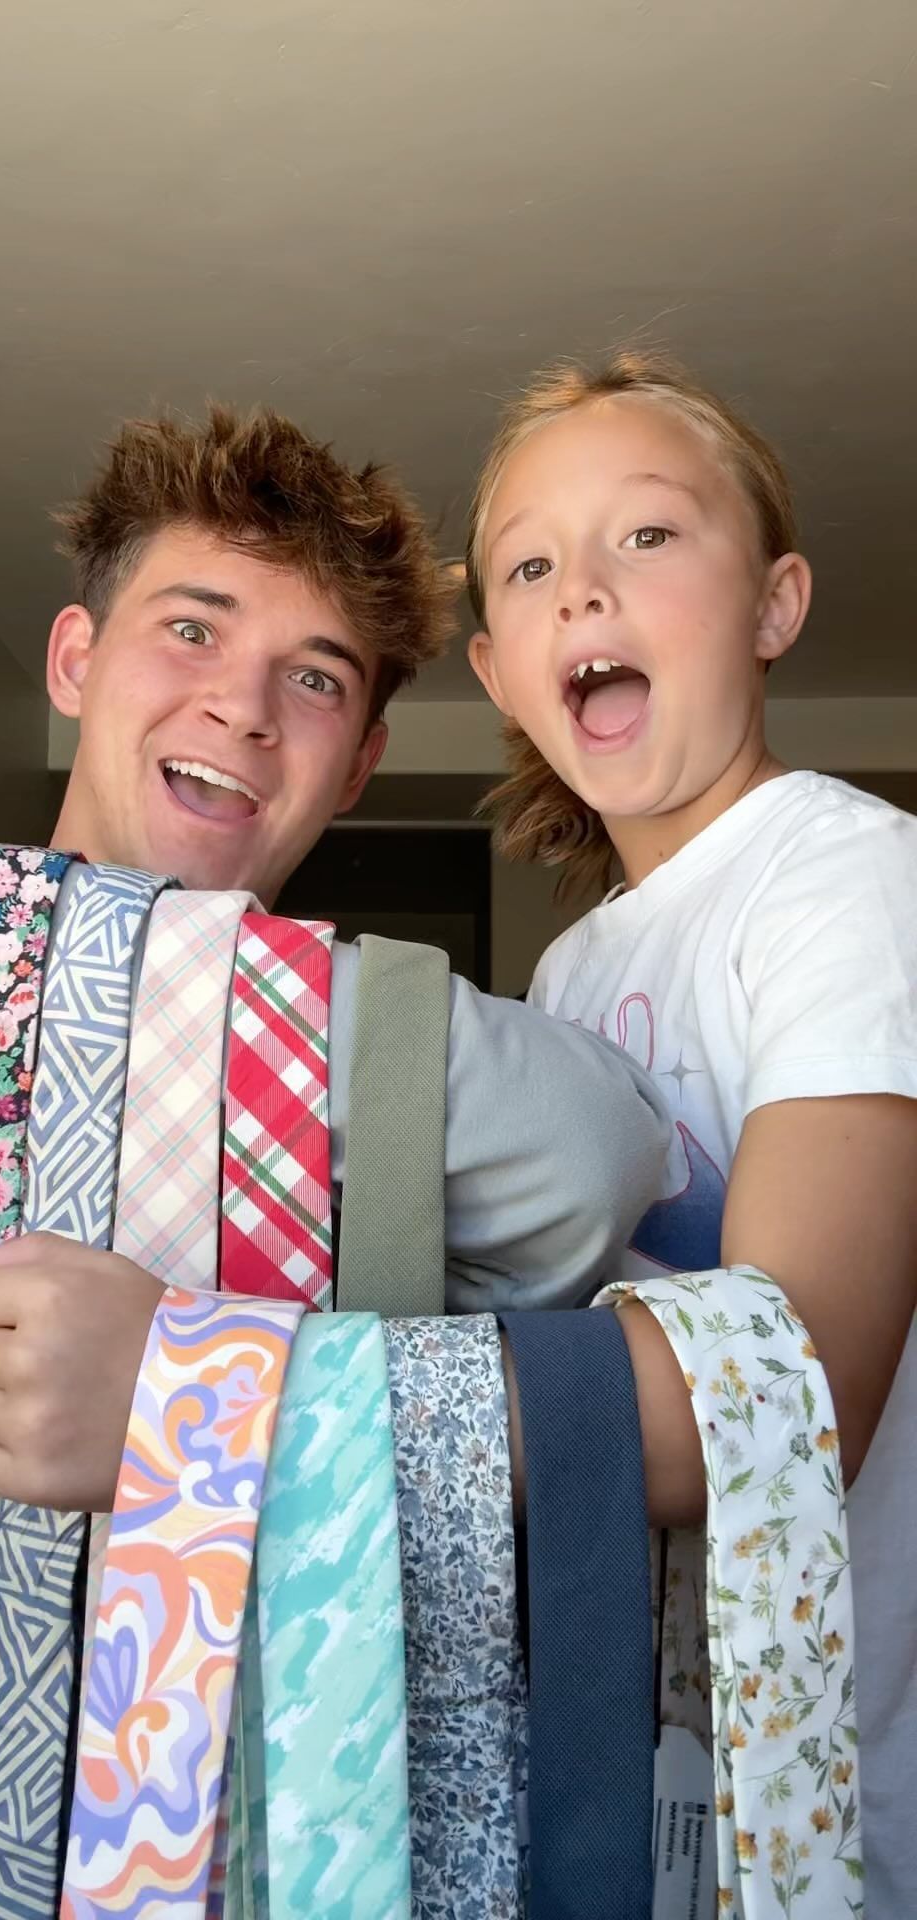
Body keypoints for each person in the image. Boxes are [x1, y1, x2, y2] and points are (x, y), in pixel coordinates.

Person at [0, 403, 670, 1671]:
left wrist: (44, 943)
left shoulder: (378, 1104)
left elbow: (598, 1150)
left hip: (219, 1793)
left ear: (358, 767)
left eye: (316, 677)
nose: (242, 707)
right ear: (74, 661)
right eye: (191, 628)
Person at [464, 349, 917, 1911]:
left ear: (776, 605)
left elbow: (790, 1396)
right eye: (531, 567)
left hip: (845, 1781)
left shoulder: (847, 877)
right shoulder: (571, 973)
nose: (585, 589)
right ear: (497, 671)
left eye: (648, 535)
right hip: (659, 1759)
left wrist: (286, 1416)